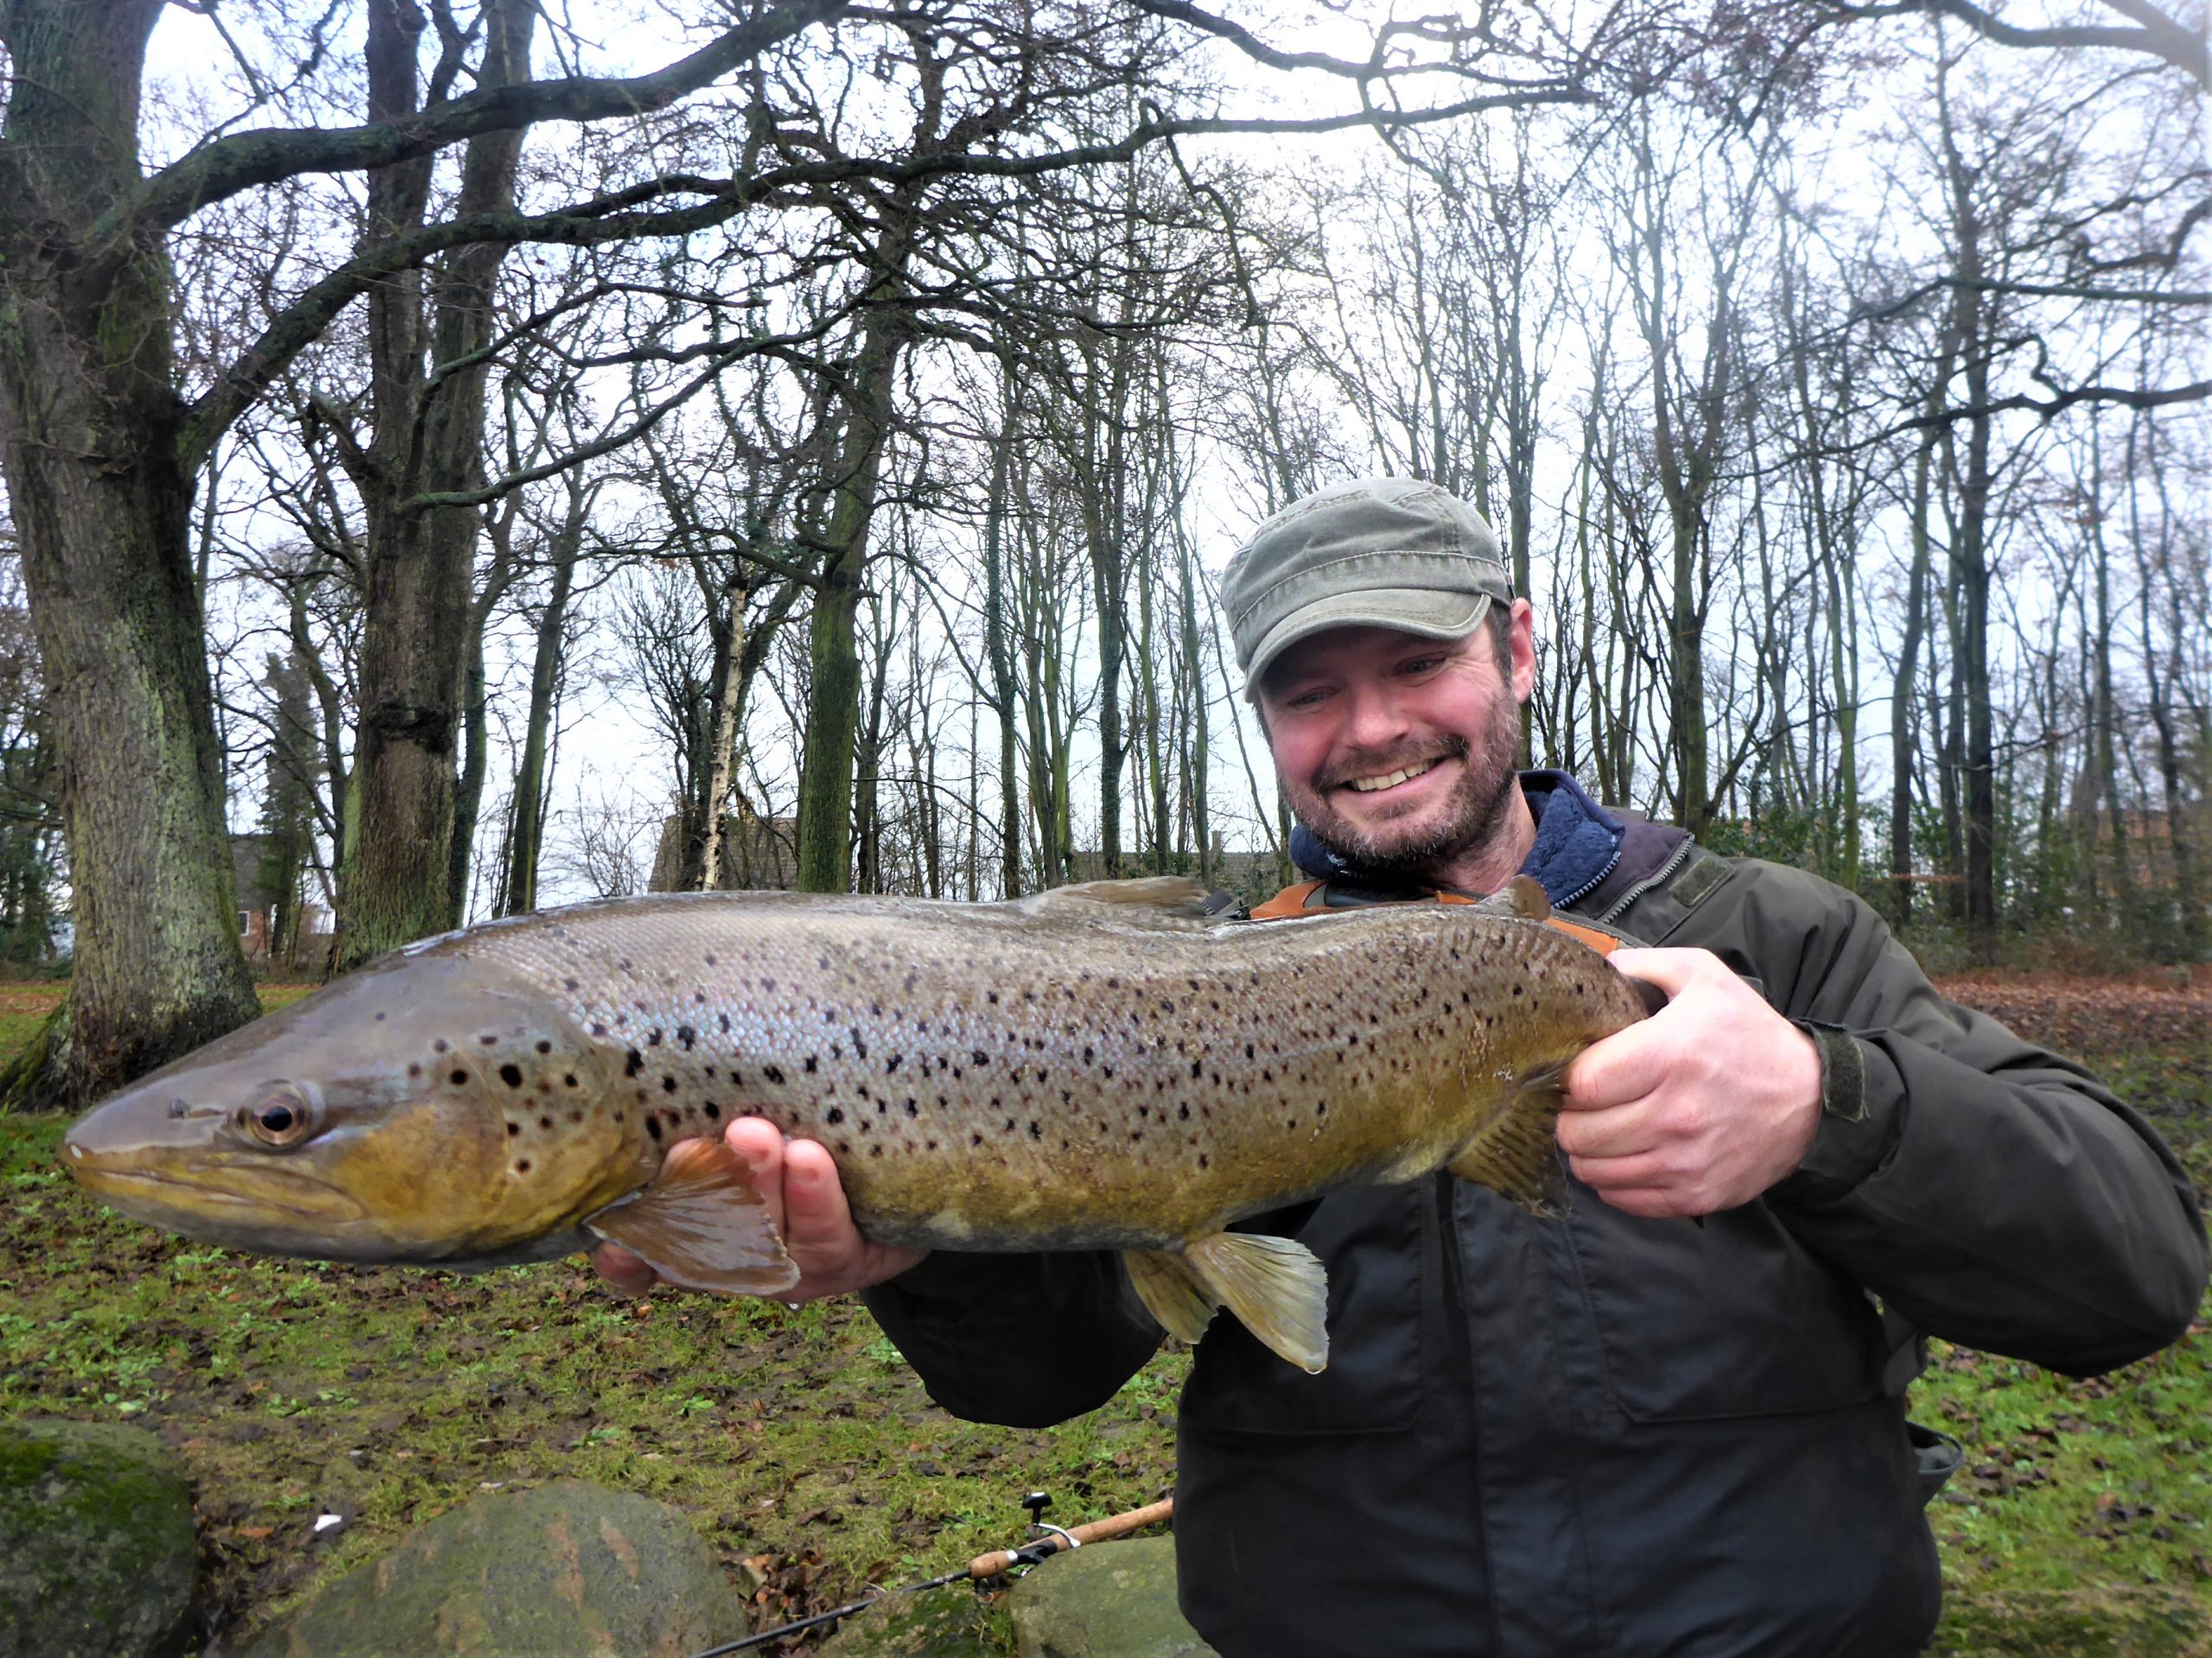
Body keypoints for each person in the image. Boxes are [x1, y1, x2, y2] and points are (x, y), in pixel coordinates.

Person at [596, 477, 2209, 1657]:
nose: (1367, 729)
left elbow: (2132, 1277)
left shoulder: (1766, 936)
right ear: (1266, 719)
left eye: (1414, 666)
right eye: (1311, 693)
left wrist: (1826, 1109)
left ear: (1516, 647)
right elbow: (1044, 1382)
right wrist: (911, 1252)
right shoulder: (1176, 989)